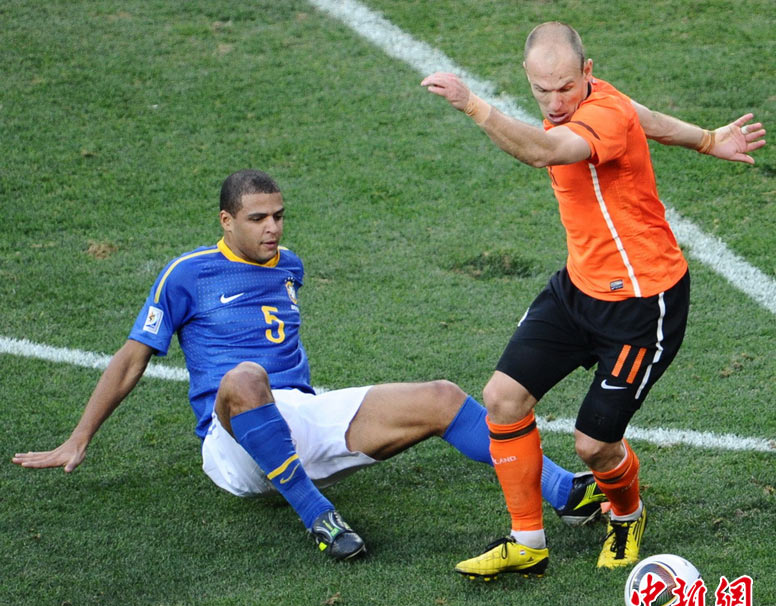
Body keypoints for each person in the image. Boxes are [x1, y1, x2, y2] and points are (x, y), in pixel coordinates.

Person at [13, 169, 606, 562]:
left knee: (443, 396)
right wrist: (79, 437)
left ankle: (567, 494)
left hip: (300, 414)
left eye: (278, 215)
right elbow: (129, 360)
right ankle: (320, 520)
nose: (272, 228)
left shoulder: (289, 265)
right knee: (245, 376)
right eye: (257, 219)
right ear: (226, 221)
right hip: (231, 441)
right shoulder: (187, 273)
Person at [421, 22, 765, 576]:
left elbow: (546, 151)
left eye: (565, 87)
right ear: (528, 77)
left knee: (594, 446)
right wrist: (707, 139)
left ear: (587, 71)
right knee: (503, 399)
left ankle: (627, 515)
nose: (555, 103)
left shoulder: (598, 114)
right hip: (578, 289)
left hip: (641, 305)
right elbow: (647, 118)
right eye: (542, 90)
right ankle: (527, 542)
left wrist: (473, 106)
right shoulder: (601, 100)